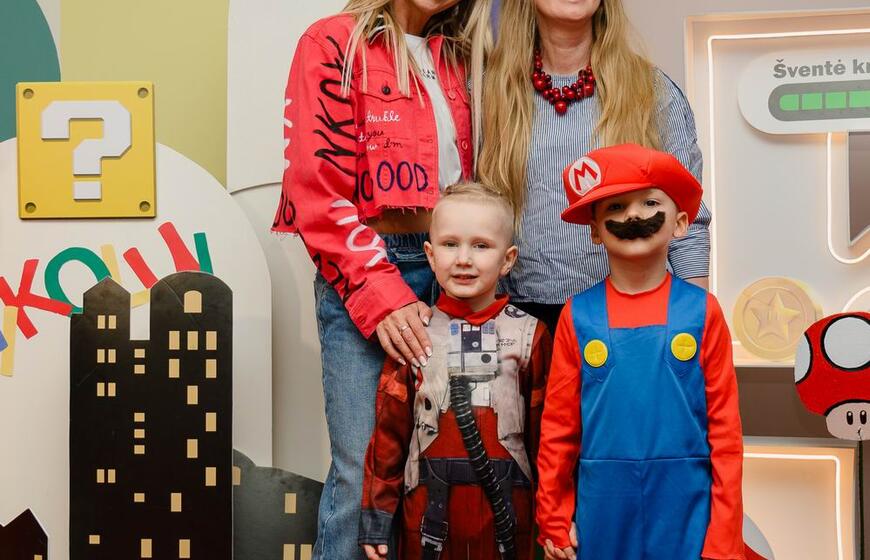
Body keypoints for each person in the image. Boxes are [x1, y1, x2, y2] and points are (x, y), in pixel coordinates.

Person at [271, 2, 491, 558]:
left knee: (440, 475)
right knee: (365, 476)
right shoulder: (332, 42)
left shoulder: (466, 57)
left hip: (455, 272)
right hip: (369, 264)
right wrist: (383, 295)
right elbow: (314, 191)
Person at [536, 144, 744, 560]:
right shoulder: (578, 315)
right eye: (616, 206)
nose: (634, 215)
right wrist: (553, 516)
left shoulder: (703, 311)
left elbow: (725, 433)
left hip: (687, 500)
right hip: (602, 503)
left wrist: (724, 535)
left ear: (680, 223)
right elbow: (558, 428)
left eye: (649, 202)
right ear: (595, 230)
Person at [479, 0, 711, 334]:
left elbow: (689, 212)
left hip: (634, 315)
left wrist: (697, 319)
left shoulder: (650, 89)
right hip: (516, 321)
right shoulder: (488, 91)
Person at [358, 183, 551, 560]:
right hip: (427, 520)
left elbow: (546, 438)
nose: (464, 259)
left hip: (508, 522)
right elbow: (389, 436)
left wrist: (555, 517)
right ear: (430, 255)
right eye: (450, 244)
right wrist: (377, 517)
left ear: (508, 259)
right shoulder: (415, 335)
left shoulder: (530, 335)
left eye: (480, 245)